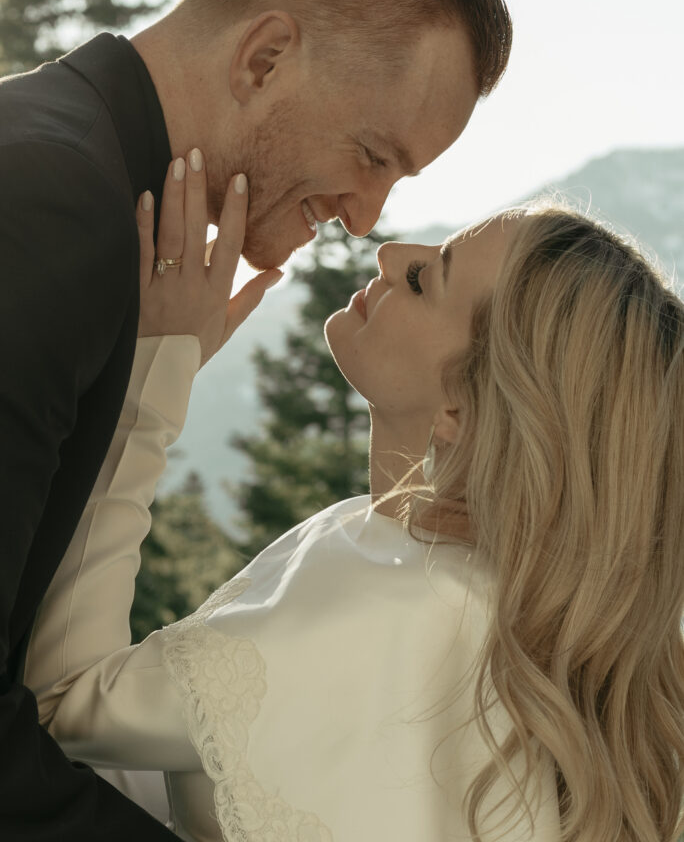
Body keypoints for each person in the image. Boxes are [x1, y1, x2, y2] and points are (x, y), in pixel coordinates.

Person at [0, 0, 512, 838]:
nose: (367, 219)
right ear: (266, 56)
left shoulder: (83, 192)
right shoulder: (55, 211)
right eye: (373, 156)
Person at [24, 167, 684, 842]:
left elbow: (64, 705)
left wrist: (150, 379)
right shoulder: (525, 633)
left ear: (458, 406)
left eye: (427, 279)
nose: (390, 254)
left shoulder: (385, 603)